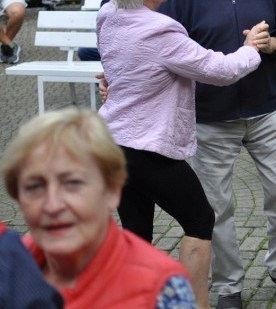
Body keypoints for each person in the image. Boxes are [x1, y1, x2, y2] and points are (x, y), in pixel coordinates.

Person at [97, 0, 266, 307]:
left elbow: (120, 63)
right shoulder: (160, 30)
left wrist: (113, 78)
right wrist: (251, 47)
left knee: (137, 232)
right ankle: (196, 303)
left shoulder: (108, 14)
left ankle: (134, 300)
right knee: (200, 218)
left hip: (112, 142)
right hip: (146, 146)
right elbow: (218, 70)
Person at [158, 0, 276, 307]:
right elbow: (165, 47)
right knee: (215, 207)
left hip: (267, 107)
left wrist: (274, 44)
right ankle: (227, 284)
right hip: (211, 115)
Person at [0, 108, 196, 307]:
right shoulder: (8, 267)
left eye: (73, 184)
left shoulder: (161, 289)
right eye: (34, 187)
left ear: (112, 191)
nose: (52, 205)